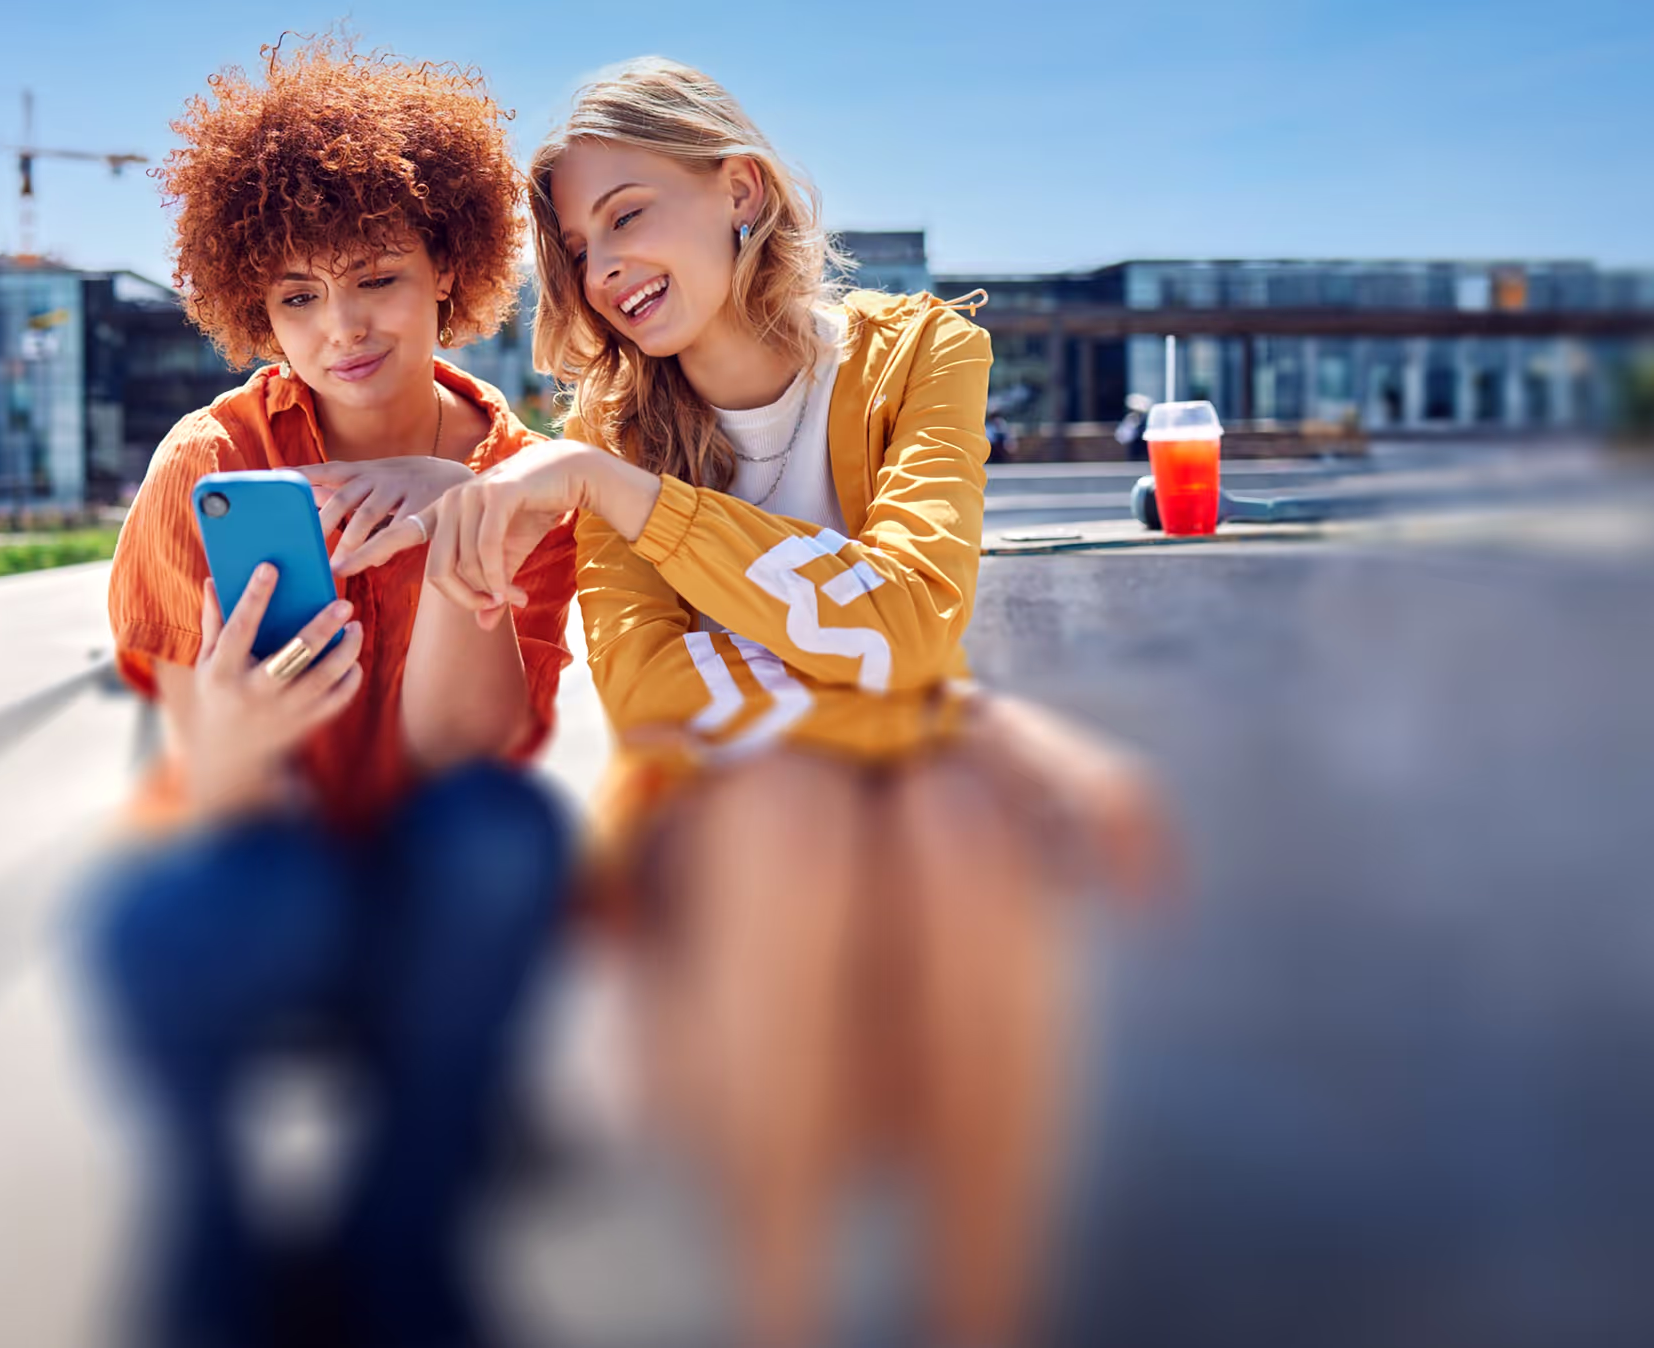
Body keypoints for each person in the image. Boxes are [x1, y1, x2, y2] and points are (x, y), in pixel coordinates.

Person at [339, 57, 1175, 1348]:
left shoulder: (918, 358)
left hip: (908, 785)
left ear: (739, 190)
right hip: (718, 806)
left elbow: (911, 622)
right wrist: (954, 709)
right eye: (578, 244)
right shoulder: (605, 431)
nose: (604, 265)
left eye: (628, 213)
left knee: (962, 832)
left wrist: (643, 512)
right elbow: (654, 693)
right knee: (796, 814)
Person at [74, 34, 577, 1348]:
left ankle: (399, 1243)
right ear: (255, 307)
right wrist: (246, 728)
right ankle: (216, 1251)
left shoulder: (521, 482)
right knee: (165, 911)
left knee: (503, 840)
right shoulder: (210, 465)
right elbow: (209, 787)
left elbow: (464, 755)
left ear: (450, 271)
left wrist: (463, 526)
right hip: (262, 867)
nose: (341, 328)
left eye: (376, 281)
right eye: (296, 298)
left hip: (431, 880)